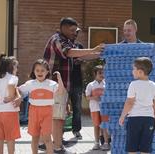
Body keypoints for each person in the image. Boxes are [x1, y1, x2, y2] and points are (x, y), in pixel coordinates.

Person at [43, 17, 104, 153]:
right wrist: (93, 48)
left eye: (75, 30)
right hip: (54, 86)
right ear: (63, 28)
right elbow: (69, 53)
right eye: (72, 30)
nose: (74, 33)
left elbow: (80, 56)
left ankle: (58, 145)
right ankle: (56, 146)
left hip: (62, 86)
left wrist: (100, 54)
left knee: (60, 117)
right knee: (57, 118)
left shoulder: (69, 41)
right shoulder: (57, 39)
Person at [18, 59, 65, 154]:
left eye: (42, 70)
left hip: (47, 112)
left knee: (47, 138)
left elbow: (61, 92)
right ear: (34, 71)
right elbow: (18, 90)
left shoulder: (52, 84)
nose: (40, 72)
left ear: (47, 71)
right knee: (35, 137)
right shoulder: (30, 84)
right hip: (34, 112)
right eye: (37, 70)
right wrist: (19, 98)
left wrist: (59, 79)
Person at [119, 57, 155, 154]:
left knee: (132, 148)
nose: (132, 71)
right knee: (145, 148)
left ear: (140, 72)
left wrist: (122, 116)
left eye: (134, 69)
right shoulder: (154, 86)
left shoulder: (133, 84)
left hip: (134, 119)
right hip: (149, 120)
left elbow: (129, 102)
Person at [0, 54, 21, 154]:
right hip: (10, 111)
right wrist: (11, 96)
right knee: (10, 138)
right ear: (11, 67)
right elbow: (11, 85)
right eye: (16, 66)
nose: (17, 69)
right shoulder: (13, 78)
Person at [85, 65, 110, 151]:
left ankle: (106, 143)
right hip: (94, 108)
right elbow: (87, 97)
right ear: (95, 74)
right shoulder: (90, 85)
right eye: (100, 73)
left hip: (104, 109)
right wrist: (94, 98)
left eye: (103, 73)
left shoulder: (106, 84)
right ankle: (96, 143)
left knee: (105, 126)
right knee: (96, 126)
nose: (102, 75)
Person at [70, 27, 84, 140]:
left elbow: (84, 57)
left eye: (77, 32)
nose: (75, 34)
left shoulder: (80, 46)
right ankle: (60, 132)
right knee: (61, 107)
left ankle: (76, 130)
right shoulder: (64, 44)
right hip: (64, 82)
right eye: (74, 32)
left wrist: (81, 60)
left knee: (77, 108)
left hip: (77, 81)